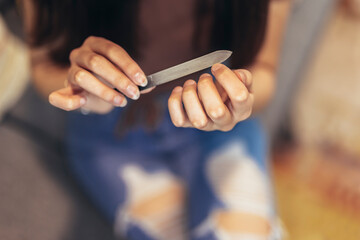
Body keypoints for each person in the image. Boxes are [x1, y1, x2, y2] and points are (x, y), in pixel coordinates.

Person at [21, 0, 290, 239]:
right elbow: (43, 66)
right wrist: (82, 85)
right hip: (111, 140)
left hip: (221, 128)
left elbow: (264, 68)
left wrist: (239, 98)